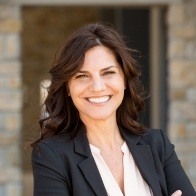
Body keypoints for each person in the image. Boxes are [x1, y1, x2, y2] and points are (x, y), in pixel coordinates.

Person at [31, 23, 196, 196]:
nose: (97, 87)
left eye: (107, 73)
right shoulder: (51, 156)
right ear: (67, 88)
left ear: (124, 80)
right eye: (82, 76)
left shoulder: (157, 144)